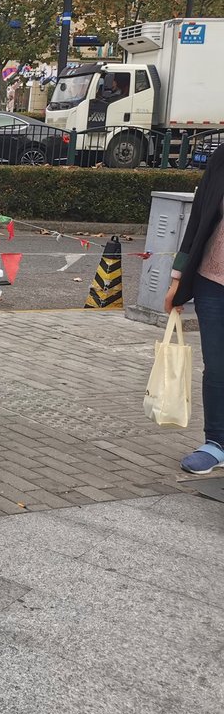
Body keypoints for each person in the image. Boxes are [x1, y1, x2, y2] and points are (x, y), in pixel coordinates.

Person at [165, 145, 224, 474]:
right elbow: (200, 217)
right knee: (217, 367)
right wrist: (177, 278)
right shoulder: (222, 157)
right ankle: (216, 442)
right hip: (212, 281)